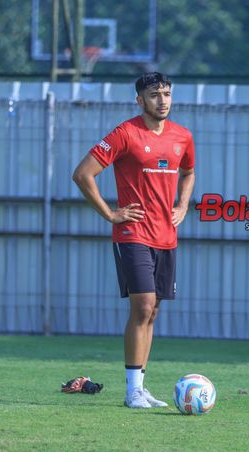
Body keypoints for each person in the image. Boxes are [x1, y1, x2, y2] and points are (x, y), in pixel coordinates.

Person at [72, 72, 196, 408]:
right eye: (155, 95)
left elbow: (189, 171)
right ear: (139, 100)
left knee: (152, 311)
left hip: (166, 237)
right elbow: (83, 174)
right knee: (141, 306)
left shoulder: (182, 136)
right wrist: (110, 214)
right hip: (133, 234)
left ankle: (139, 386)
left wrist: (182, 205)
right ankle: (131, 392)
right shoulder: (125, 134)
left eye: (167, 93)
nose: (163, 100)